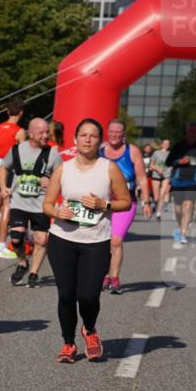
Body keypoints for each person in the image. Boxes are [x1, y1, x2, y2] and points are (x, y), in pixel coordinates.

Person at [43, 118, 132, 363]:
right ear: (75, 139)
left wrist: (105, 204)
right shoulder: (63, 168)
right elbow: (47, 204)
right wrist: (57, 212)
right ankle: (68, 343)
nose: (87, 139)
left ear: (100, 141)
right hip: (62, 239)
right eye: (83, 135)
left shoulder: (109, 168)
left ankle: (90, 329)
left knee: (89, 295)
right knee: (66, 295)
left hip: (96, 241)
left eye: (93, 136)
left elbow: (125, 201)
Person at [0, 118, 62, 287]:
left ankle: (33, 273)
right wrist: (4, 186)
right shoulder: (17, 150)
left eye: (47, 131)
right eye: (41, 132)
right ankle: (22, 262)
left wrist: (51, 182)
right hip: (19, 202)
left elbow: (61, 177)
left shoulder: (53, 154)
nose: (46, 135)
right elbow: (3, 167)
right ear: (30, 133)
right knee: (17, 238)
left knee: (41, 240)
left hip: (41, 204)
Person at [100, 119, 151, 294]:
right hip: (101, 204)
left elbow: (142, 178)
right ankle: (104, 276)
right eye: (111, 131)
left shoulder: (132, 151)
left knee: (116, 240)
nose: (114, 135)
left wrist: (147, 202)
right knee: (102, 242)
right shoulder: (99, 151)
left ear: (123, 135)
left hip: (125, 203)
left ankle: (114, 278)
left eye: (118, 132)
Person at [0, 98, 26, 258]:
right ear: (21, 112)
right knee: (6, 208)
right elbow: (20, 154)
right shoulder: (20, 131)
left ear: (8, 111)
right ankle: (1, 246)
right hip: (9, 171)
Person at [153, 139, 172, 219]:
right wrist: (157, 169)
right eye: (164, 143)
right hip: (156, 175)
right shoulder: (156, 153)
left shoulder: (171, 154)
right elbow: (151, 165)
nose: (166, 145)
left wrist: (171, 169)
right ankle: (155, 204)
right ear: (161, 144)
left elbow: (173, 164)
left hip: (166, 176)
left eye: (168, 143)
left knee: (162, 195)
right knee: (156, 197)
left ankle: (158, 213)